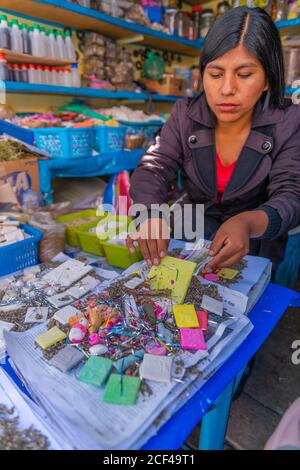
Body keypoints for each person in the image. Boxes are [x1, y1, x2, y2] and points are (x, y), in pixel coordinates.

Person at [127, 7, 300, 271]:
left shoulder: (289, 121)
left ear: (267, 79)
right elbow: (155, 165)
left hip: (254, 241)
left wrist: (248, 222)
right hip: (192, 230)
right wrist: (149, 213)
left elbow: (291, 194)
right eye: (216, 74)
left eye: (244, 75)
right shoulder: (186, 114)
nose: (227, 89)